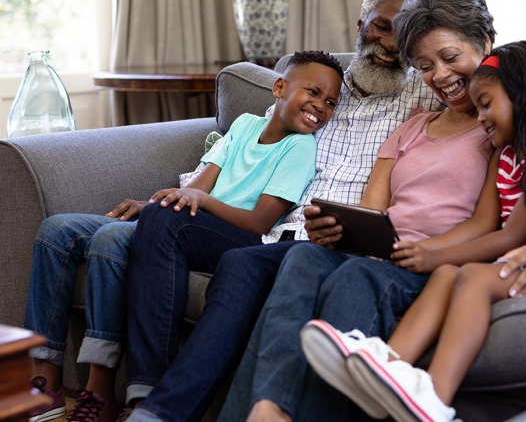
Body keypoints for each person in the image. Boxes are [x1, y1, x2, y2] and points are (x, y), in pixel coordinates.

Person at [124, 0, 526, 422]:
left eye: (450, 58)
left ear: (487, 47)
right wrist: (339, 228)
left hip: (427, 256)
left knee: (350, 278)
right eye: (424, 66)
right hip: (381, 244)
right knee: (297, 263)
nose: (440, 76)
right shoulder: (416, 118)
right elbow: (373, 208)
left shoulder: (504, 126)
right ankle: (263, 411)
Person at [301, 41, 526, 422]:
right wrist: (431, 258)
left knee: (470, 275)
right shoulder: (503, 156)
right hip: (517, 261)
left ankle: (435, 398)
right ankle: (386, 368)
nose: (482, 118)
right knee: (445, 275)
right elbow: (483, 223)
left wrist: (431, 253)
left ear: (523, 94)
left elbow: (512, 236)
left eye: (487, 104)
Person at [24, 50, 343, 422]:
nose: (320, 105)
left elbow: (258, 222)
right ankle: (43, 382)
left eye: (331, 102)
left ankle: (106, 391)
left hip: (230, 233)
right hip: (187, 218)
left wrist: (197, 201)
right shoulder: (244, 126)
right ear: (279, 87)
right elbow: (201, 182)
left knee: (113, 239)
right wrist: (160, 202)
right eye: (314, 92)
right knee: (57, 229)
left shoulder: (300, 147)